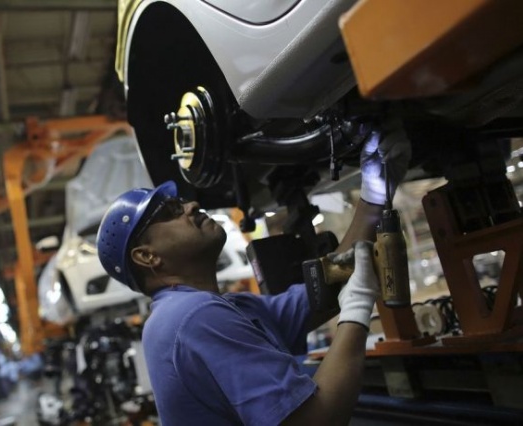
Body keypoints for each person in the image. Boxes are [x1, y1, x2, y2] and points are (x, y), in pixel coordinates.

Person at [96, 123, 410, 425]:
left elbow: (323, 291)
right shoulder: (194, 317)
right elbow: (315, 421)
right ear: (147, 256)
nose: (190, 205)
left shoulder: (223, 309)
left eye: (180, 202)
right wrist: (357, 309)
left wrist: (373, 195)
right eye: (171, 212)